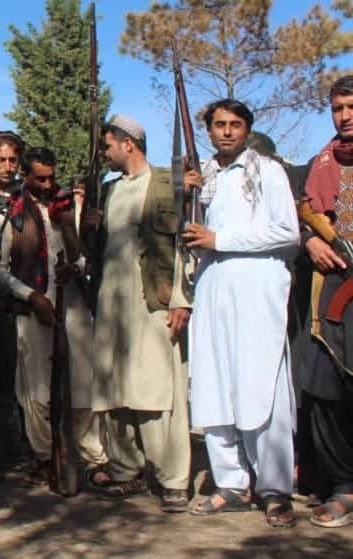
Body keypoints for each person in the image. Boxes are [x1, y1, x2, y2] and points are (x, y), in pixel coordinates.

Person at [182, 99, 299, 527]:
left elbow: (287, 232)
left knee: (260, 385)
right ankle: (230, 483)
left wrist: (221, 239)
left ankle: (274, 488)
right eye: (219, 125)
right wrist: (184, 194)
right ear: (209, 130)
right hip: (213, 289)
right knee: (214, 384)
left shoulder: (267, 170)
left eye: (235, 124)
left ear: (246, 129)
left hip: (257, 291)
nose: (227, 131)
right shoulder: (203, 176)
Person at [83, 115, 193, 512]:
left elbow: (184, 244)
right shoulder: (109, 191)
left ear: (127, 143)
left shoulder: (168, 182)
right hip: (111, 303)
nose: (105, 153)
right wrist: (88, 228)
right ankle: (125, 470)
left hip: (154, 299)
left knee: (157, 389)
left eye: (108, 145)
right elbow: (96, 252)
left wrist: (181, 298)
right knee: (114, 390)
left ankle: (172, 479)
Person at [7, 147, 107, 485]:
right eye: (40, 179)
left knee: (82, 384)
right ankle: (45, 456)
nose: (49, 185)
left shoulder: (70, 207)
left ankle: (93, 458)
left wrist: (75, 268)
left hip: (73, 305)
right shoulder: (13, 213)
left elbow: (87, 256)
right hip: (33, 308)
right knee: (36, 392)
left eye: (52, 178)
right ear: (25, 177)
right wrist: (31, 297)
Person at [297, 75, 353, 528]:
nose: (345, 116)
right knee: (328, 389)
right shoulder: (320, 163)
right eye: (337, 108)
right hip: (334, 289)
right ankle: (344, 487)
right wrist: (310, 240)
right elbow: (300, 216)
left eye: (352, 107)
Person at [0, 130, 29, 469]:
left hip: (26, 294)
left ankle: (28, 443)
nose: (8, 166)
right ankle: (4, 442)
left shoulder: (29, 198)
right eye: (2, 160)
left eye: (13, 160)